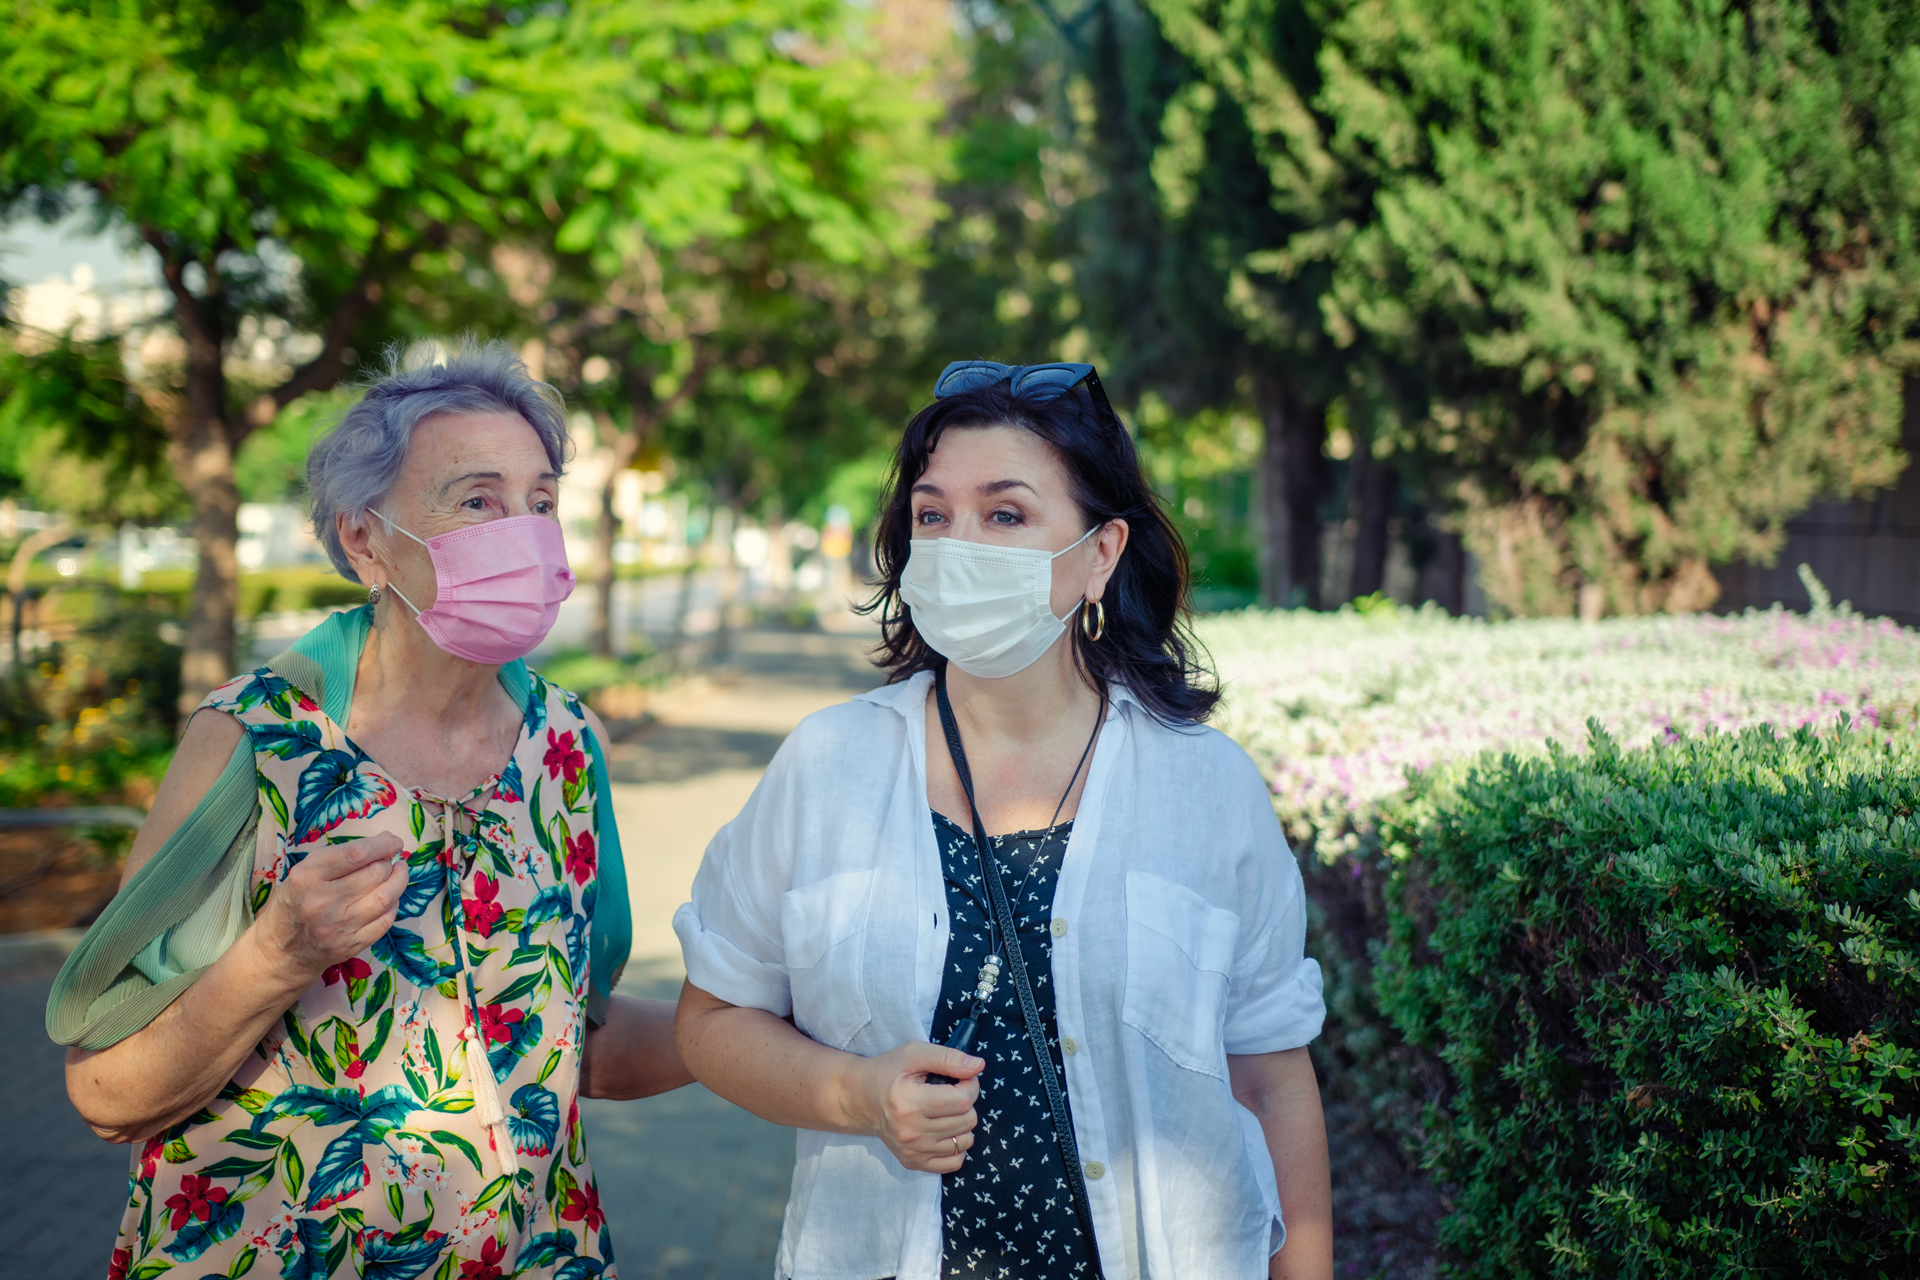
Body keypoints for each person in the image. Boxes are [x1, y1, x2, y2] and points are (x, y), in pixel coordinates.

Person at [673, 361, 1332, 1280]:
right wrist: (858, 1095)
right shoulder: (826, 767)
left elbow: (1269, 1066)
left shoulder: (1207, 787)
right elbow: (711, 1021)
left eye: (1006, 514)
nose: (956, 545)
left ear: (1101, 554)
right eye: (933, 515)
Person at [49, 341, 690, 1279]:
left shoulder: (566, 744)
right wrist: (280, 953)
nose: (524, 531)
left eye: (541, 501)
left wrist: (756, 1023)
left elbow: (574, 1043)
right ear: (365, 540)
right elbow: (107, 1093)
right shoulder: (257, 741)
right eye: (477, 501)